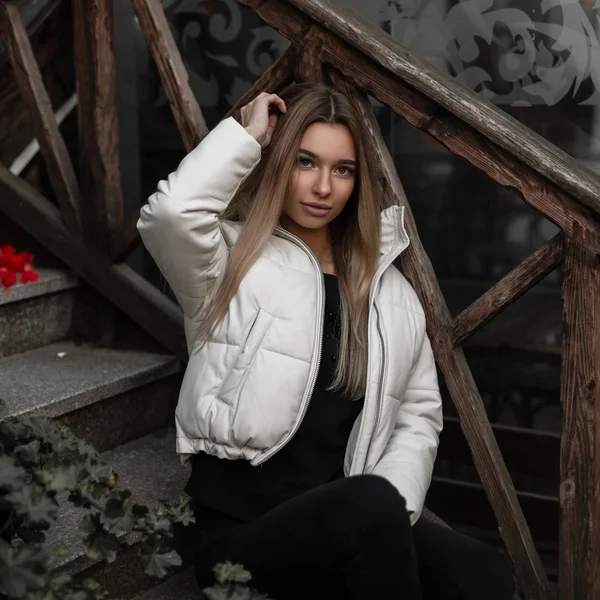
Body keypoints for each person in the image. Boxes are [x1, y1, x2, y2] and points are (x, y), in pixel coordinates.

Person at [137, 83, 515, 600]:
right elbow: (169, 215)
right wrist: (245, 137)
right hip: (242, 535)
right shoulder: (228, 261)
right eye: (304, 162)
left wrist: (393, 514)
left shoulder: (390, 292)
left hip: (353, 519)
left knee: (483, 572)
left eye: (342, 170)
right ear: (277, 163)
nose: (322, 187)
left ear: (358, 182)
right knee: (365, 508)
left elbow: (417, 416)